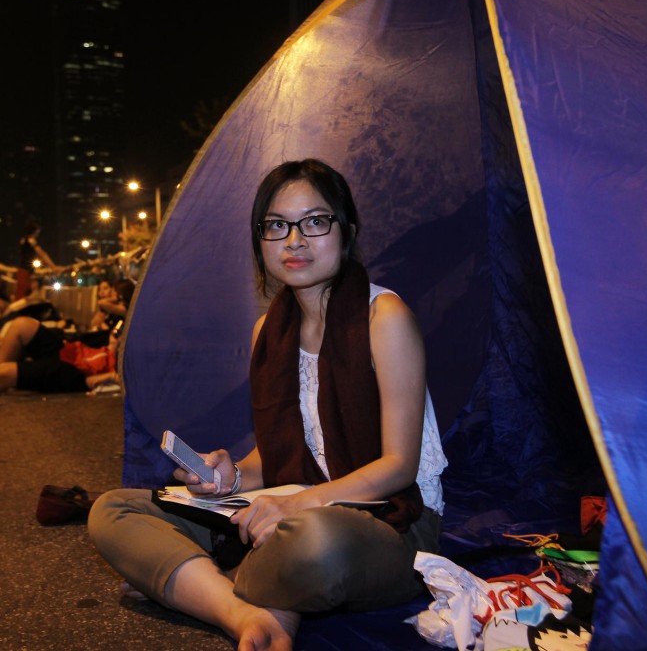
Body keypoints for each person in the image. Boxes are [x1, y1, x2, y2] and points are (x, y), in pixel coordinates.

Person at [88, 159, 447, 650]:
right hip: (293, 506)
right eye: (276, 225)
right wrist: (231, 476)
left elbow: (398, 465)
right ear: (260, 241)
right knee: (113, 510)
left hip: (387, 521)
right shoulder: (268, 331)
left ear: (347, 230)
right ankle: (242, 612)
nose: (293, 241)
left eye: (314, 222)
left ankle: (198, 584)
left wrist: (297, 504)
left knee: (317, 542)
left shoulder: (384, 316)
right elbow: (281, 454)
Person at [0, 315, 119, 409]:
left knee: (7, 371)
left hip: (79, 372)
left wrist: (110, 376)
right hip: (77, 351)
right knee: (22, 325)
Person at [15, 222, 55, 301]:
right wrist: (53, 266)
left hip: (23, 270)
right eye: (37, 232)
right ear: (33, 232)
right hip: (26, 271)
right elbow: (41, 253)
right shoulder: (31, 240)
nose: (37, 234)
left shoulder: (23, 240)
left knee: (22, 292)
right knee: (23, 293)